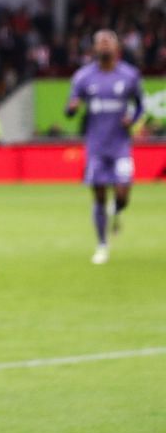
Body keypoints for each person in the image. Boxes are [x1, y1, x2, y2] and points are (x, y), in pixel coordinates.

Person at [66, 29, 147, 264]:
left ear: (116, 47)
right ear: (94, 48)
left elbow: (140, 105)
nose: (103, 46)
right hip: (96, 146)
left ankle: (118, 208)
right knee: (99, 195)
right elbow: (69, 110)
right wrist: (72, 107)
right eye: (99, 43)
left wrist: (132, 118)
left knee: (123, 192)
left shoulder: (130, 75)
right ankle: (102, 244)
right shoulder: (83, 77)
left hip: (120, 144)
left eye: (107, 42)